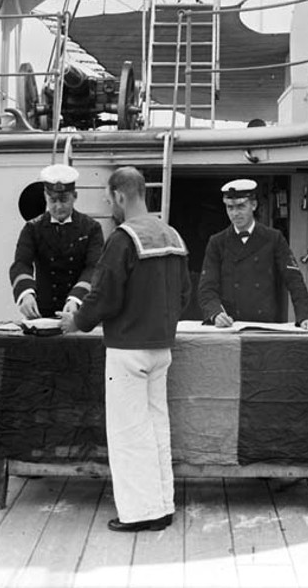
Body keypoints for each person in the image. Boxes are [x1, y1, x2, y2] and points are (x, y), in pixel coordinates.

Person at [58, 167, 190, 532]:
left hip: (127, 350)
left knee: (129, 434)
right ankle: (163, 506)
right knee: (157, 428)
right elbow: (184, 294)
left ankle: (140, 513)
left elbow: (104, 295)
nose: (110, 207)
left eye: (109, 200)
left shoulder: (122, 238)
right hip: (161, 348)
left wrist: (77, 321)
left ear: (119, 196)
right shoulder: (172, 234)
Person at [197, 178, 308, 331]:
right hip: (229, 326)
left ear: (254, 205)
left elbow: (294, 281)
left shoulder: (274, 238)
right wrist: (215, 313)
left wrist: (305, 317)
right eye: (230, 208)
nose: (235, 213)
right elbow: (207, 287)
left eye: (241, 206)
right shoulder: (217, 242)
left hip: (266, 325)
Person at [9, 163, 104, 319]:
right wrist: (26, 294)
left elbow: (94, 267)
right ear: (45, 197)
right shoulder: (33, 228)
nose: (58, 207)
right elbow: (21, 263)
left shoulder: (91, 228)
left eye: (64, 200)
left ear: (75, 196)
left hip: (81, 311)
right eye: (53, 200)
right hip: (42, 313)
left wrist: (76, 298)